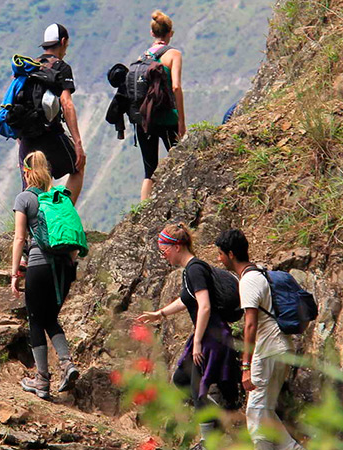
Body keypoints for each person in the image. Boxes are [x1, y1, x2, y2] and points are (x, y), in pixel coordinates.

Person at [138, 223, 239, 449]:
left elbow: (204, 306)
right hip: (207, 335)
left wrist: (198, 342)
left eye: (164, 251)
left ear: (177, 247)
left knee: (196, 387)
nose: (163, 256)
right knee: (181, 380)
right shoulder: (191, 270)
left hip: (212, 336)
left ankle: (208, 441)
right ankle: (221, 417)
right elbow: (186, 300)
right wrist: (159, 314)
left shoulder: (195, 269)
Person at [215, 229, 305, 450]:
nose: (219, 259)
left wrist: (246, 366)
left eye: (220, 254)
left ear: (230, 254)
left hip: (267, 351)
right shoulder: (260, 273)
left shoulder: (248, 281)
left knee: (255, 412)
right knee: (265, 410)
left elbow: (250, 325)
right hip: (282, 347)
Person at [11, 151, 79, 399]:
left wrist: (14, 272)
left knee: (35, 319)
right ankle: (67, 364)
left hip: (39, 265)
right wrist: (69, 266)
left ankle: (41, 380)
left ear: (26, 172)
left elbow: (20, 238)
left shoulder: (24, 198)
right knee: (49, 317)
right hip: (64, 267)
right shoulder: (60, 198)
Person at [18, 23, 86, 204]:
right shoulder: (61, 67)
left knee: (31, 188)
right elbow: (67, 104)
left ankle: (29, 222)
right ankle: (63, 214)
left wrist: (20, 139)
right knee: (78, 166)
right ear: (63, 42)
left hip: (26, 138)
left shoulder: (29, 67)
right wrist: (78, 143)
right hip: (51, 134)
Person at [138, 10, 186, 201]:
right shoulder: (174, 54)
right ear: (170, 33)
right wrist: (181, 121)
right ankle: (180, 201)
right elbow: (176, 86)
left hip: (144, 118)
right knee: (181, 161)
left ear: (152, 33)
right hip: (167, 118)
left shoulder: (143, 57)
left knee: (149, 171)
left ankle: (142, 213)